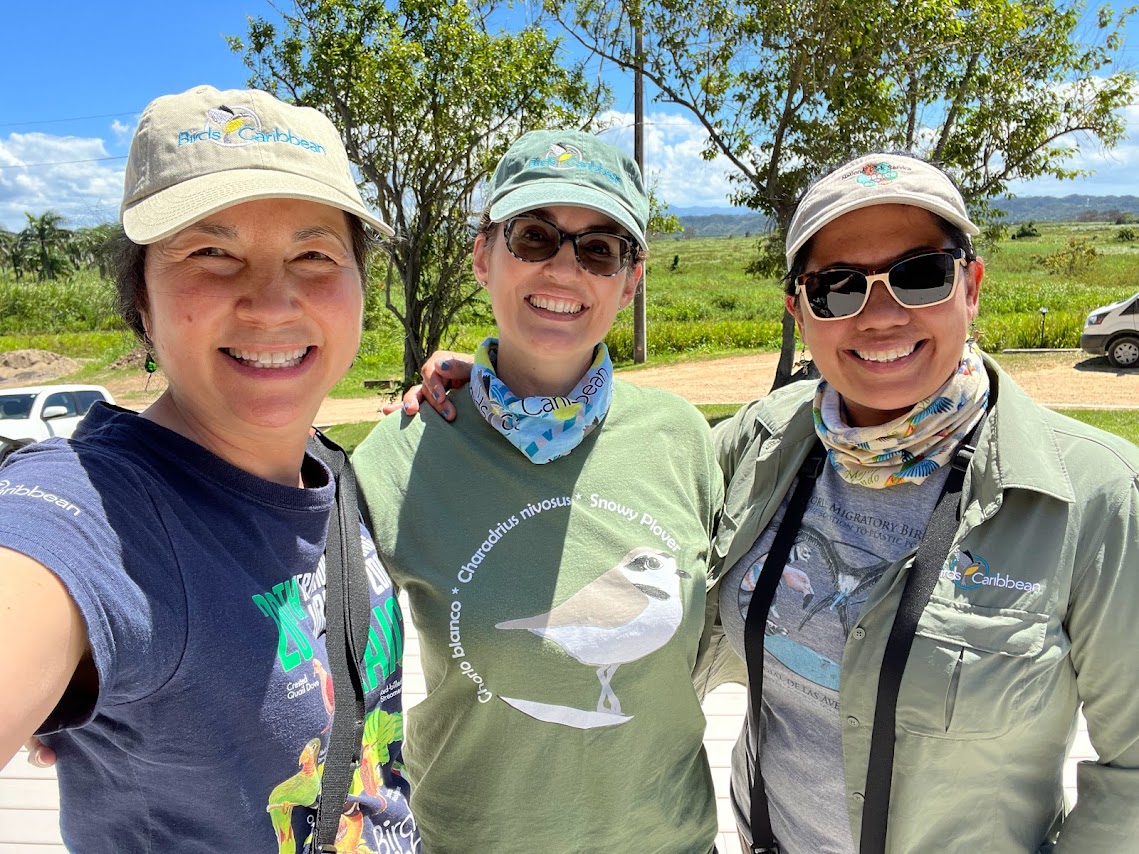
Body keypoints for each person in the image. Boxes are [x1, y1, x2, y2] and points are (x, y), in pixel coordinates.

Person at [0, 85, 419, 853]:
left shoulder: (328, 471)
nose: (271, 303)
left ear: (360, 288)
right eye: (211, 253)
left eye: (314, 255)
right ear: (141, 299)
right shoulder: (97, 512)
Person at [705, 152, 1139, 852]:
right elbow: (621, 488)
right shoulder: (758, 443)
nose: (880, 316)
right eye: (837, 287)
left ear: (971, 286)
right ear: (799, 313)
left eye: (920, 275)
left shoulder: (1097, 497)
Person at [351, 130, 723, 853]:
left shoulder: (682, 438)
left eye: (599, 249)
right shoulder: (401, 451)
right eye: (533, 237)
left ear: (630, 280)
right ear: (482, 257)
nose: (563, 268)